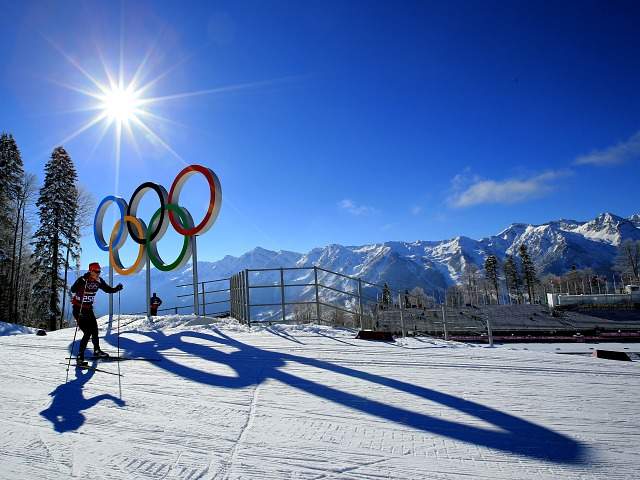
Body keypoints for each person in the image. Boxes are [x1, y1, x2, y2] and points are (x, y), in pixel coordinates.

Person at [70, 262, 123, 365]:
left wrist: (116, 289)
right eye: (96, 271)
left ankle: (97, 351)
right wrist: (81, 281)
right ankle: (80, 356)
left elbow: (108, 289)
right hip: (78, 309)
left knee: (94, 330)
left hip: (88, 309)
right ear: (91, 271)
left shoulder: (99, 281)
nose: (98, 273)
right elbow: (73, 290)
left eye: (99, 271)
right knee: (87, 332)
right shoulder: (83, 279)